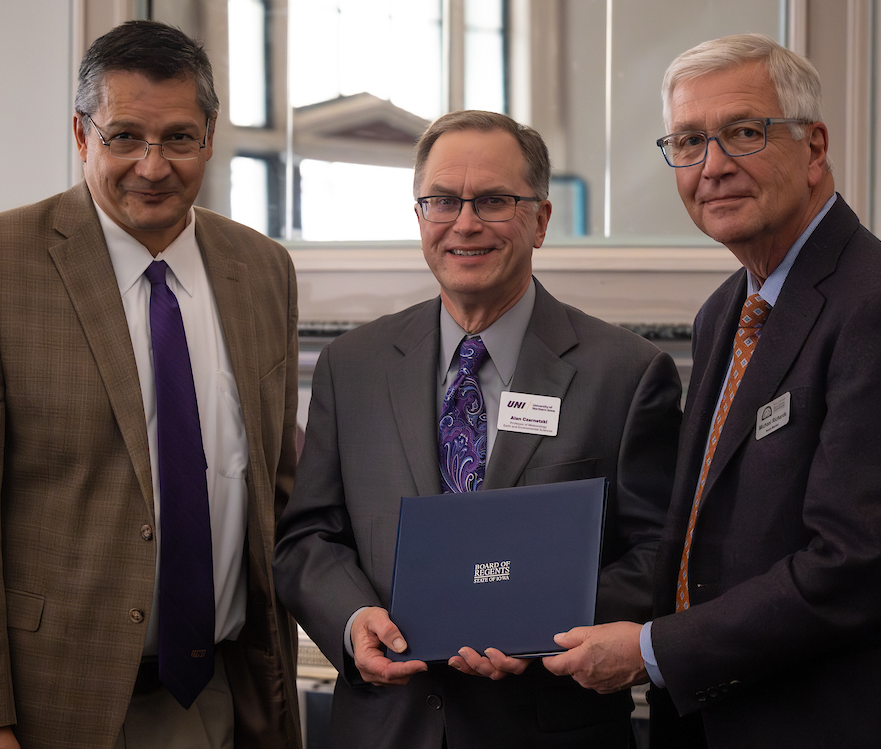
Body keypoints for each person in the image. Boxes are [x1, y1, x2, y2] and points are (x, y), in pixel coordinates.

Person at [543, 34, 881, 748]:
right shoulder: (726, 309)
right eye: (689, 142)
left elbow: (857, 566)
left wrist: (652, 651)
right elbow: (703, 533)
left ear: (814, 148)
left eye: (745, 133)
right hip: (731, 711)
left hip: (851, 719)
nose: (714, 166)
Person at [0, 21, 300, 749]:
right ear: (82, 136)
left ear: (209, 137)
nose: (153, 166)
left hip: (217, 701)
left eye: (179, 138)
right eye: (124, 137)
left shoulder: (262, 269)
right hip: (43, 707)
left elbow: (280, 487)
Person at [272, 110, 682, 748]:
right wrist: (353, 620)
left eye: (493, 201)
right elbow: (308, 539)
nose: (465, 223)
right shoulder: (351, 367)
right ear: (419, 217)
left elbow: (661, 552)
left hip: (546, 725)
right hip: (388, 726)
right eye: (442, 201)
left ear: (540, 221)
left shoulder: (625, 374)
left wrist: (540, 622)